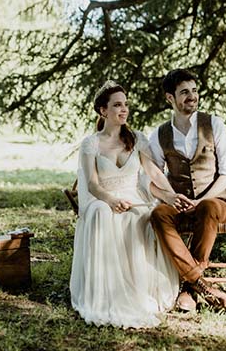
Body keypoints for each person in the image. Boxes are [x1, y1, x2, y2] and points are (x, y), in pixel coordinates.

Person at [70, 80, 181, 328]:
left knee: (139, 215)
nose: (124, 109)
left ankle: (141, 289)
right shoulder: (91, 144)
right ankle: (104, 292)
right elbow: (92, 184)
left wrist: (171, 194)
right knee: (101, 213)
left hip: (133, 197)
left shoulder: (137, 139)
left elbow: (153, 172)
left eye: (126, 104)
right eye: (117, 105)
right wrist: (111, 200)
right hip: (104, 197)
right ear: (103, 110)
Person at [148, 68, 226, 313]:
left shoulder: (214, 124)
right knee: (158, 214)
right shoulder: (160, 134)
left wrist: (201, 200)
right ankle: (201, 285)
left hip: (215, 205)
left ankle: (189, 286)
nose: (192, 96)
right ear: (170, 98)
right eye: (184, 92)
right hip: (181, 207)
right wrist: (169, 197)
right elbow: (152, 181)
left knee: (207, 206)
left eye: (194, 91)